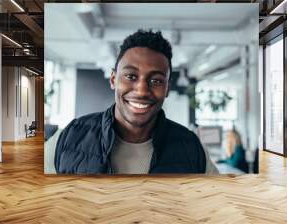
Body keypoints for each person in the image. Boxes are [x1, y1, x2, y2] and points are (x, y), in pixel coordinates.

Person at [54, 29, 218, 174]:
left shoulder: (192, 148)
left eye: (156, 81)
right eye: (131, 76)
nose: (141, 91)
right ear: (113, 80)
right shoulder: (69, 137)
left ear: (167, 88)